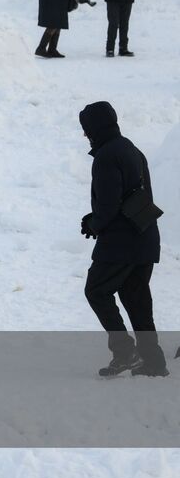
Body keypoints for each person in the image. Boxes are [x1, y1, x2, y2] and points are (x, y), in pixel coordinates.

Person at [79, 101, 166, 377]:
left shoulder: (106, 157)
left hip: (121, 243)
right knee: (136, 298)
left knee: (96, 290)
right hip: (145, 237)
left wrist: (93, 223)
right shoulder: (131, 148)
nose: (85, 135)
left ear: (95, 128)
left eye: (86, 129)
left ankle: (125, 351)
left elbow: (108, 207)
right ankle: (154, 362)